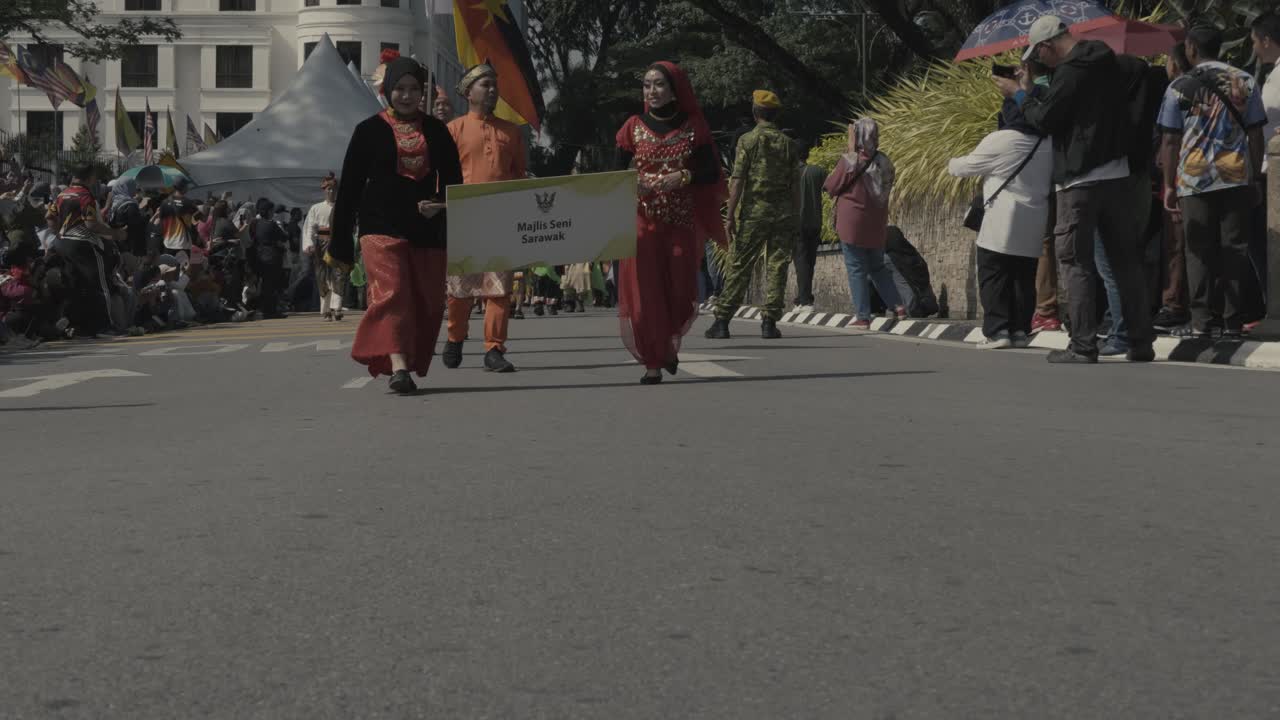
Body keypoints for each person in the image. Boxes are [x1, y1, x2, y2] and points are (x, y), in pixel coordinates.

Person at [995, 15, 1155, 363]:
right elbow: (1077, 104)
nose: (1041, 62)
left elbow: (1045, 119)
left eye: (1040, 55)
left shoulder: (1070, 72)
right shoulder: (1109, 63)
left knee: (1074, 261)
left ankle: (1083, 345)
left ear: (1047, 46)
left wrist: (1019, 93)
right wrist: (1040, 84)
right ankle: (1140, 342)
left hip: (1080, 181)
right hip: (1118, 174)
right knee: (1126, 262)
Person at [331, 56, 463, 394]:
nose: (406, 96)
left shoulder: (436, 131)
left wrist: (443, 207)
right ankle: (398, 366)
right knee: (394, 294)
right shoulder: (368, 131)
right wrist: (340, 243)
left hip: (426, 228)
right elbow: (349, 191)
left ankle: (408, 358)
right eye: (400, 89)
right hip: (379, 224)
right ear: (388, 90)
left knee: (428, 302)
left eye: (414, 89)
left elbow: (454, 185)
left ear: (423, 92)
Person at [616, 61, 727, 384]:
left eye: (660, 85)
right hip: (641, 223)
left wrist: (684, 175)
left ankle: (667, 343)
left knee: (680, 293)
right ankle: (653, 361)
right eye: (648, 85)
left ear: (674, 89)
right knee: (646, 294)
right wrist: (631, 182)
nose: (653, 91)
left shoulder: (694, 127)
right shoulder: (631, 127)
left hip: (679, 222)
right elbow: (613, 173)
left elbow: (710, 173)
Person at [1158, 25, 1266, 339]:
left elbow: (1169, 139)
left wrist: (1169, 184)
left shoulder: (1179, 85)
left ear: (1191, 48)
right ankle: (1233, 321)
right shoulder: (1244, 80)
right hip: (1235, 177)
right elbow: (1256, 132)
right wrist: (1255, 177)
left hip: (1194, 180)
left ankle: (1202, 321)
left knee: (1198, 251)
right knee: (1234, 249)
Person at [949, 96, 1054, 349]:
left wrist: (950, 162)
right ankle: (1020, 330)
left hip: (1001, 220)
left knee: (993, 275)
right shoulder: (1048, 142)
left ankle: (998, 331)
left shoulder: (1002, 139)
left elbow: (964, 167)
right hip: (1034, 218)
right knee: (1023, 278)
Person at [442, 63, 525, 373]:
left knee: (499, 288)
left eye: (494, 84)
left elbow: (518, 175)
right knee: (460, 290)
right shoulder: (453, 130)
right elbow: (443, 178)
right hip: (464, 220)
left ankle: (494, 349)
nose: (492, 89)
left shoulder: (511, 131)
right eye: (485, 84)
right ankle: (455, 337)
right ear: (468, 92)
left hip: (501, 221)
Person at [706, 89, 798, 341]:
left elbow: (737, 180)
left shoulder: (747, 141)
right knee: (777, 266)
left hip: (754, 214)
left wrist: (730, 214)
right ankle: (769, 322)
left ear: (755, 112)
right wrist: (795, 215)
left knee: (739, 265)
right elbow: (795, 185)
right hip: (782, 214)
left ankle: (722, 321)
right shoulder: (789, 144)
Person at [822, 118, 904, 329]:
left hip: (853, 223)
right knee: (877, 266)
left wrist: (850, 150)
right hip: (876, 222)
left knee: (856, 268)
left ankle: (862, 316)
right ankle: (897, 305)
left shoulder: (851, 160)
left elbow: (830, 186)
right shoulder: (885, 161)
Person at [47, 162, 119, 337]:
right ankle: (105, 327)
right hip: (82, 244)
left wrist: (61, 233)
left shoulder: (62, 195)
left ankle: (78, 326)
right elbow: (91, 224)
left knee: (75, 286)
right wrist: (116, 233)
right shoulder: (85, 195)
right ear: (90, 177)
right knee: (100, 285)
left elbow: (49, 218)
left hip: (61, 243)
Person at [1153, 42, 1194, 332]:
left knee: (1176, 244)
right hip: (1216, 176)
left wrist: (1168, 184)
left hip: (1181, 176)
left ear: (1176, 63)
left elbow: (1169, 140)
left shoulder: (1176, 90)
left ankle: (1174, 304)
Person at [302, 172, 347, 321]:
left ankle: (337, 308)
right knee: (322, 276)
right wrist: (308, 243)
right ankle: (326, 309)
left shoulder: (342, 207)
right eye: (328, 189)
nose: (331, 191)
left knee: (338, 275)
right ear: (324, 190)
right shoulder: (316, 208)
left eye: (333, 189)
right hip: (321, 244)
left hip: (338, 242)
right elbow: (309, 227)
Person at [794, 142, 827, 313]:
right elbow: (832, 188)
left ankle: (804, 300)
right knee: (810, 261)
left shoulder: (788, 174)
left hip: (796, 224)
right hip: (815, 222)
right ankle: (803, 297)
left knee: (801, 261)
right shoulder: (818, 172)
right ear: (807, 154)